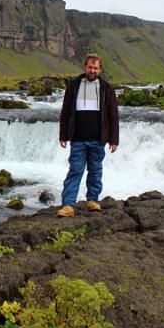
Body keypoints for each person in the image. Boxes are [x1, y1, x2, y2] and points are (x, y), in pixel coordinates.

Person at [58, 53, 119, 216]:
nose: (92, 70)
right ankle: (68, 205)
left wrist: (114, 139)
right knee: (75, 170)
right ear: (85, 67)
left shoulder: (107, 88)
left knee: (95, 170)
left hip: (98, 139)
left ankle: (92, 200)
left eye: (95, 68)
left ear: (100, 69)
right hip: (77, 138)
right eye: (90, 67)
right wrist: (63, 135)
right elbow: (65, 113)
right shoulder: (73, 86)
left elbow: (113, 115)